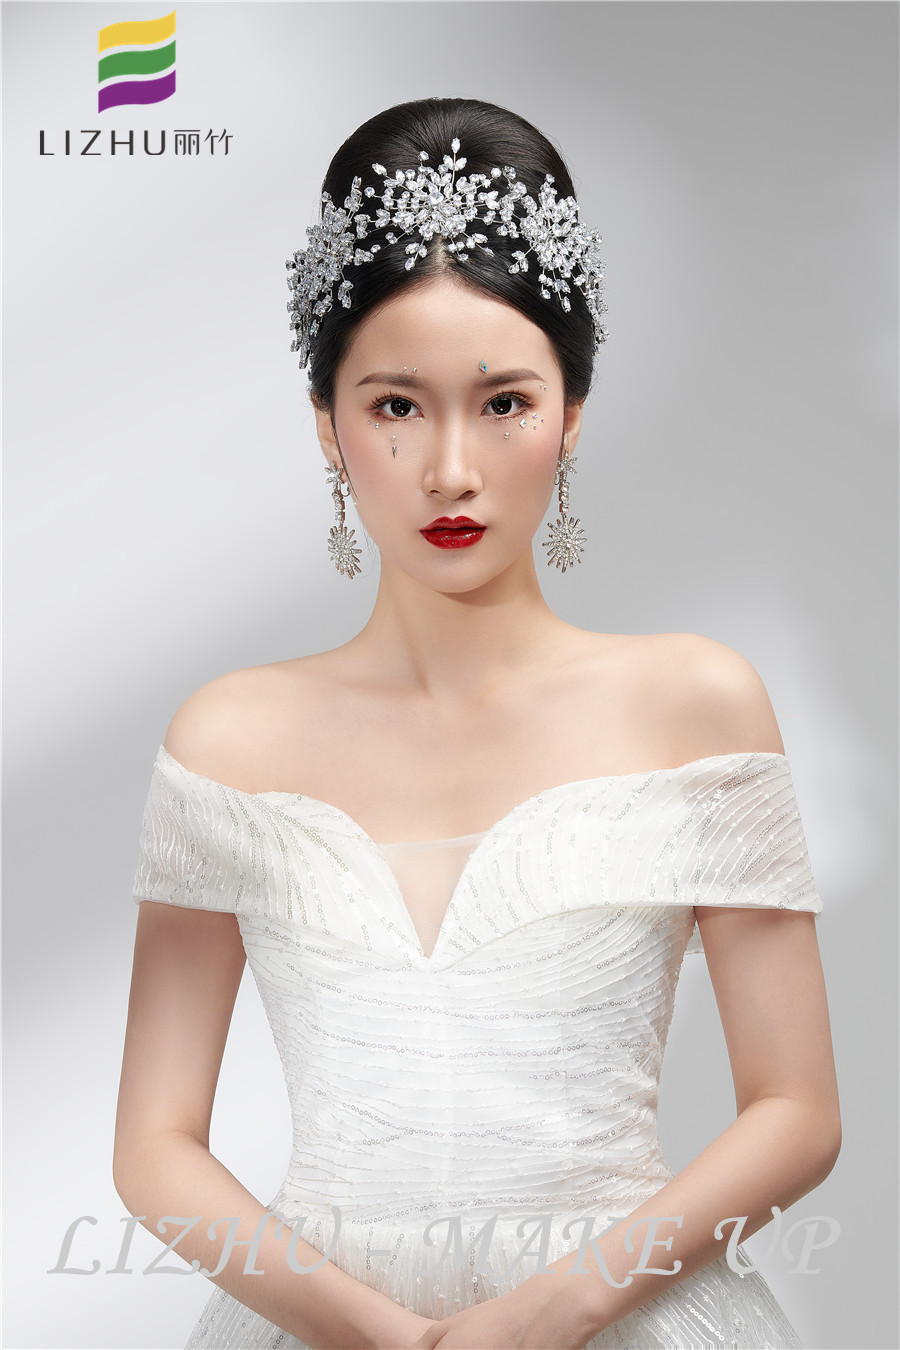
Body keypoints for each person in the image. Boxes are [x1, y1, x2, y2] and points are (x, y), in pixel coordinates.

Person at [113, 97, 841, 1350]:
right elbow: (153, 1146)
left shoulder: (693, 705)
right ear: (327, 426)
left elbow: (797, 1111)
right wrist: (383, 1336)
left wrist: (557, 1312)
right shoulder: (230, 739)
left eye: (504, 402)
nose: (452, 467)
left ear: (572, 415)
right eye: (397, 406)